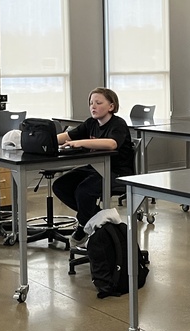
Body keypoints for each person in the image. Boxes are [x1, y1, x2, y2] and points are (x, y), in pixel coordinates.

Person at [52, 87, 136, 244]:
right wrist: (45, 140)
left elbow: (111, 144)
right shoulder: (91, 123)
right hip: (96, 168)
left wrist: (80, 142)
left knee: (84, 191)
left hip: (117, 171)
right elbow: (67, 136)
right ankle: (98, 218)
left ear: (111, 106)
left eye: (98, 103)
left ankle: (83, 223)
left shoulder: (118, 124)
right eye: (91, 103)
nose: (93, 106)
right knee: (60, 185)